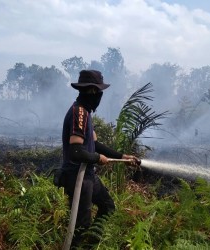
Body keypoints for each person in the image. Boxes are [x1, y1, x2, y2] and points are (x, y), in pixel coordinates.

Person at [59, 69, 139, 247]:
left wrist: (122, 156)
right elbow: (76, 152)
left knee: (108, 207)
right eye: (98, 92)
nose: (100, 96)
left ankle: (90, 245)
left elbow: (96, 145)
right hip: (77, 177)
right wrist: (97, 158)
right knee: (80, 225)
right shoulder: (79, 113)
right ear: (92, 91)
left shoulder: (86, 113)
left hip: (88, 175)